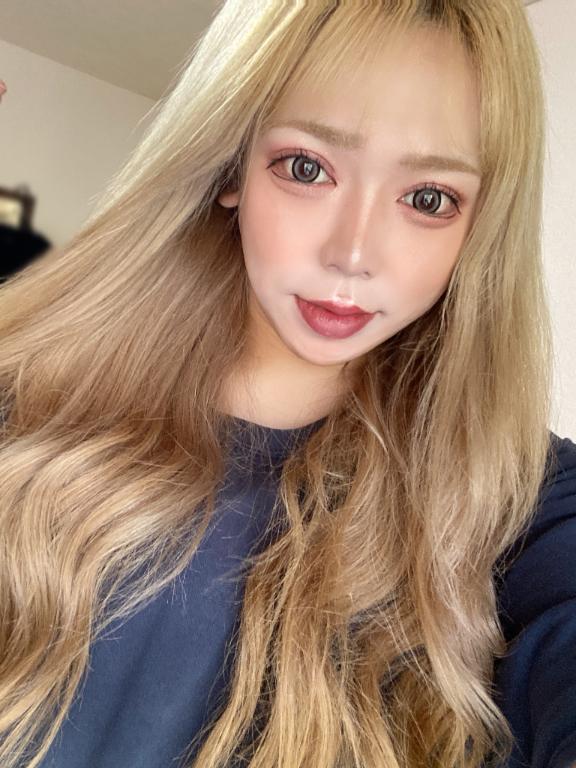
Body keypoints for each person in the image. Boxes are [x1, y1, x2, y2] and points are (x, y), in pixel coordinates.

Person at [0, 1, 574, 767]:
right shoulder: (23, 395)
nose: (353, 254)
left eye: (428, 198)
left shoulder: (518, 498)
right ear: (231, 164)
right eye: (307, 167)